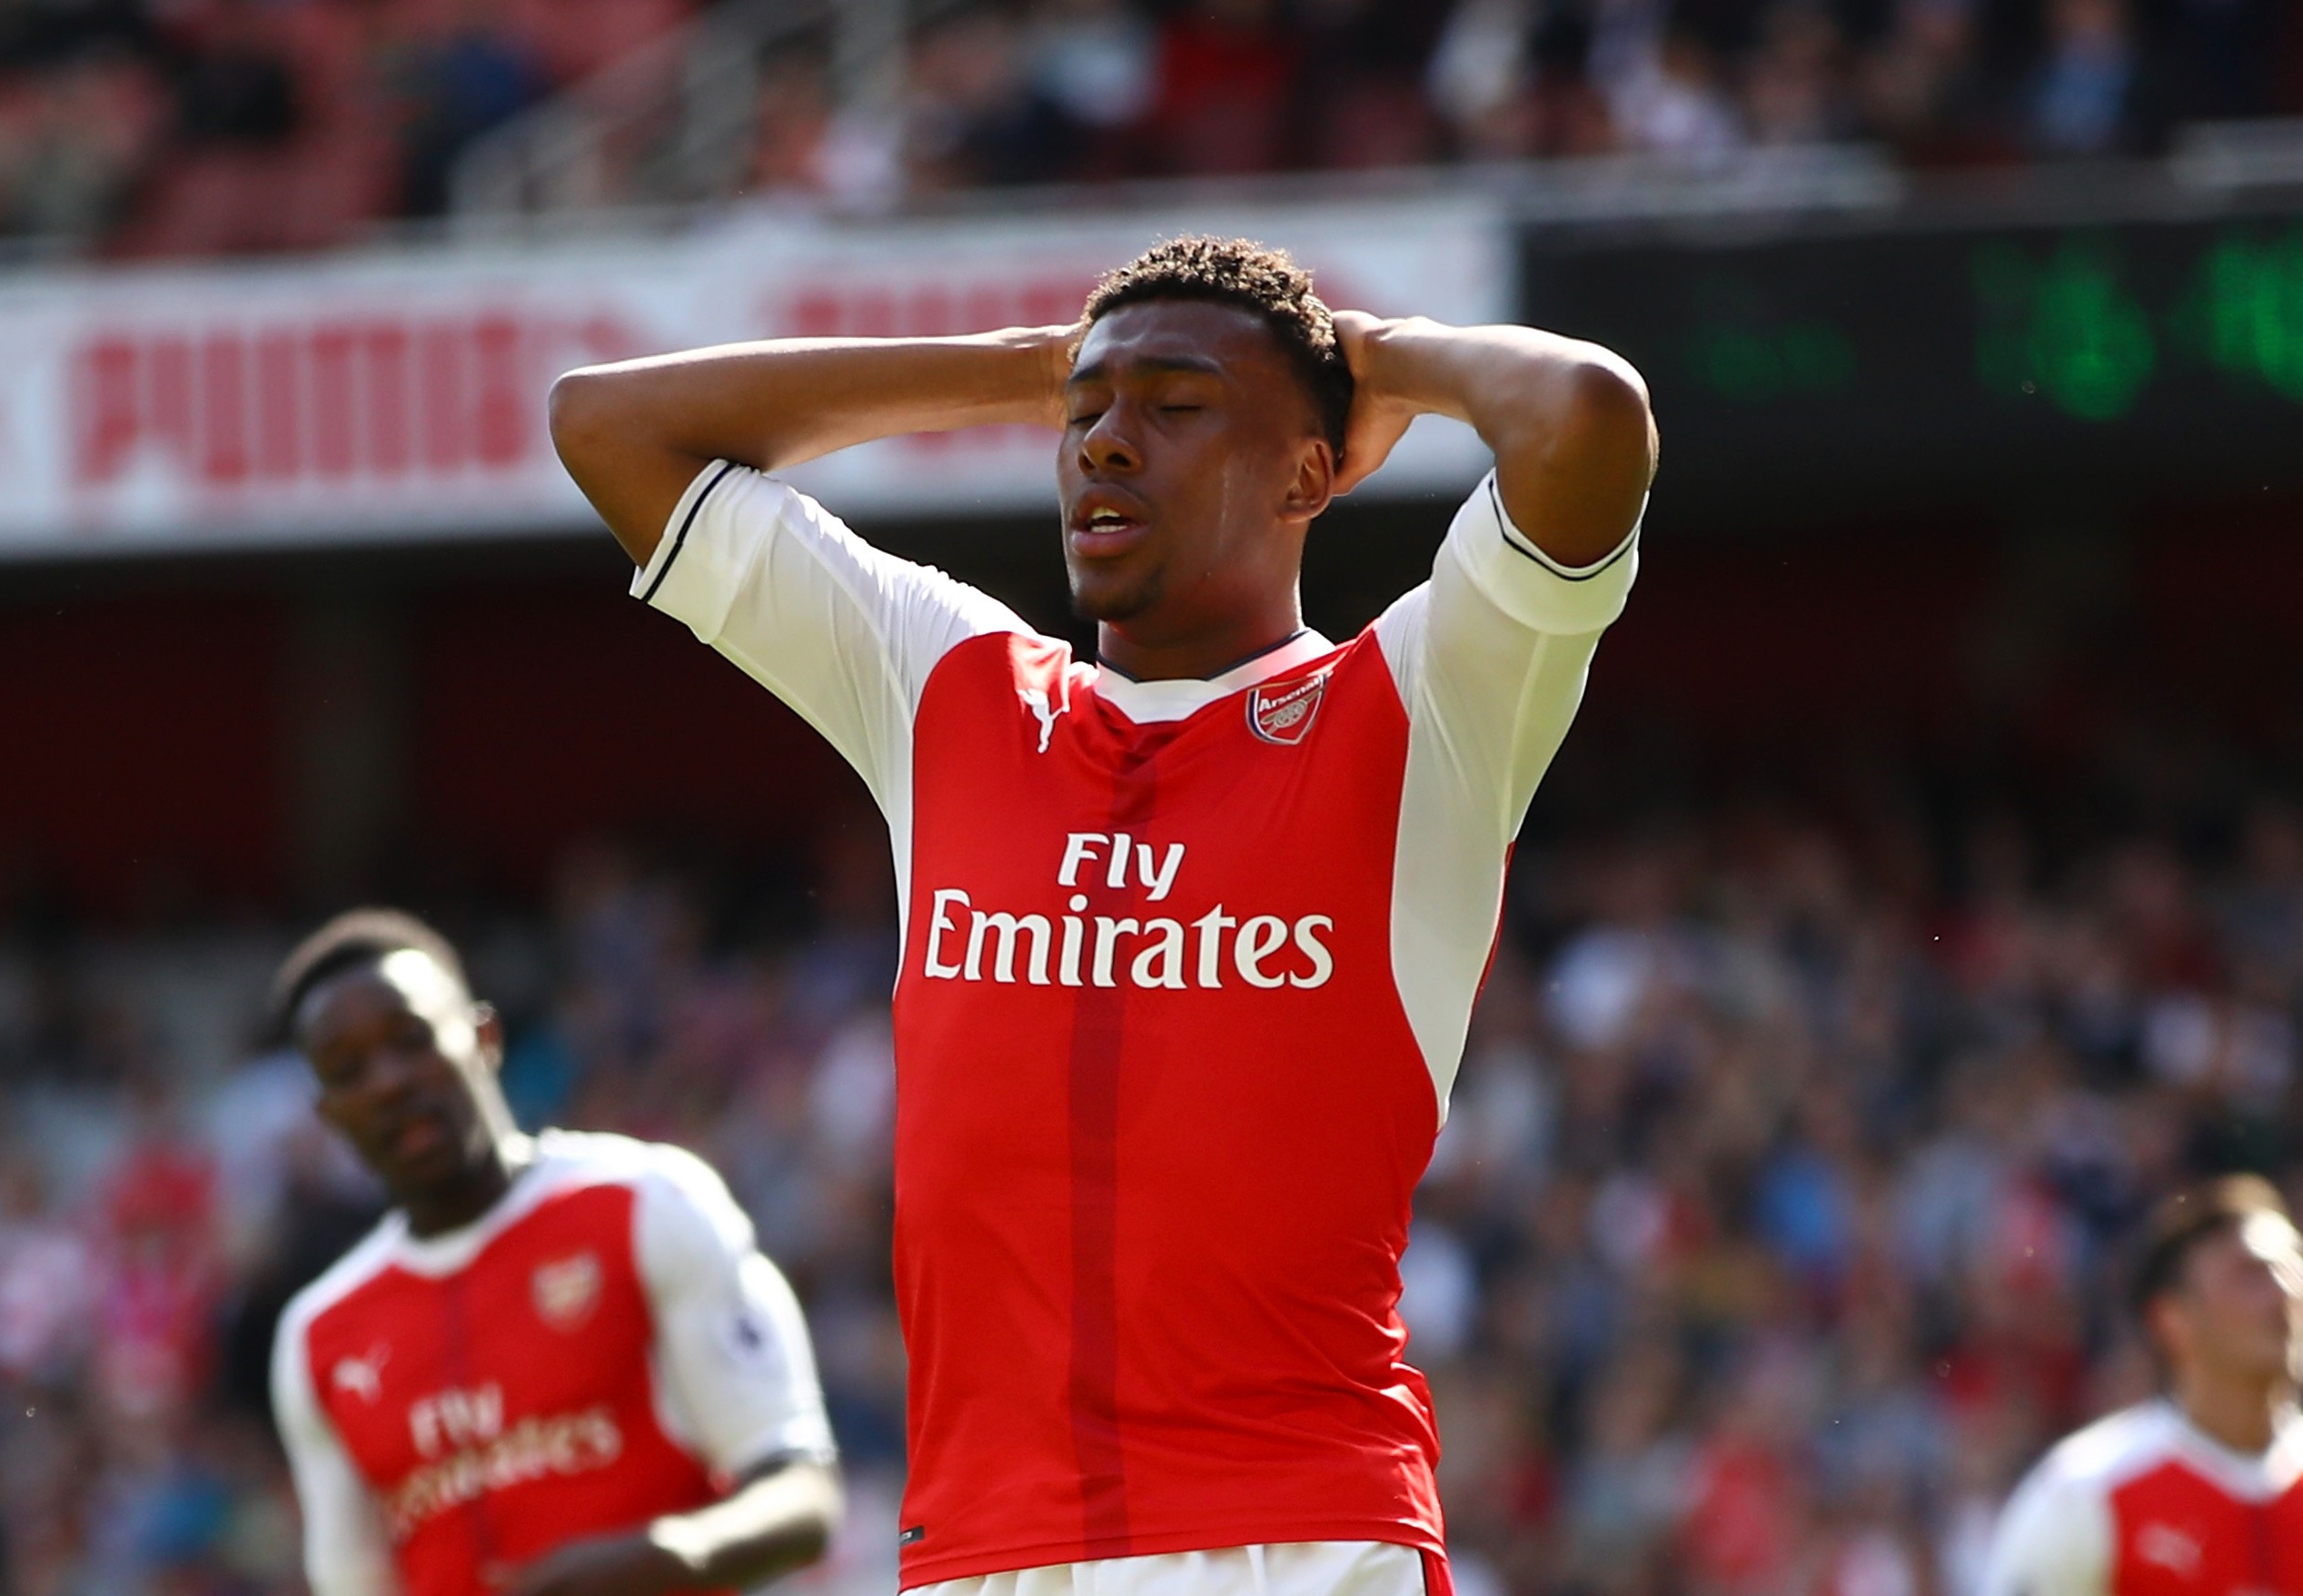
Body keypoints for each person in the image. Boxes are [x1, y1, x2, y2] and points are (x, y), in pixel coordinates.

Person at [547, 235, 1657, 1594]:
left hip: (1295, 1542)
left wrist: (1375, 362)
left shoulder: (1422, 711)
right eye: (1084, 417)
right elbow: (607, 425)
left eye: (1177, 406)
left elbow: (1586, 414)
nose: (1107, 445)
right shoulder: (944, 684)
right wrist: (1017, 372)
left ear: (1309, 473)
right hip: (980, 1548)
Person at [267, 909, 842, 1596]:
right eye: (347, 1069)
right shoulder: (317, 1336)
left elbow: (803, 1494)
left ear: (484, 1036)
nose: (388, 1081)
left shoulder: (645, 1201)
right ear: (328, 1112)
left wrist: (664, 1558)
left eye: (412, 1039)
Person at [1980, 1175, 2303, 1596]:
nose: (2286, 1296)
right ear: (2172, 1319)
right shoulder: (2087, 1491)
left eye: (2299, 1273)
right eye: (2251, 1275)